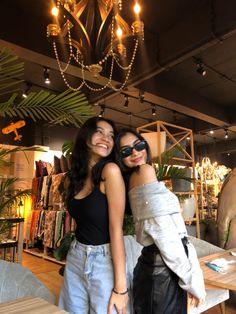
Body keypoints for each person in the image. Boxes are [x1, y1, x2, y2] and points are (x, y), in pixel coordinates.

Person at [115, 128, 206, 314]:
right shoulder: (145, 172)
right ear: (119, 158)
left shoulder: (134, 178)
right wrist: (192, 283)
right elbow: (167, 238)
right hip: (163, 276)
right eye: (125, 151)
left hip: (156, 272)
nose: (135, 152)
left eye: (138, 145)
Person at [59, 117, 129, 314]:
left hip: (104, 261)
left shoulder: (110, 171)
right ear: (86, 136)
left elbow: (116, 230)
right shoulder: (71, 179)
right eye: (99, 132)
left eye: (111, 135)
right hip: (76, 257)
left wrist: (121, 288)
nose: (106, 138)